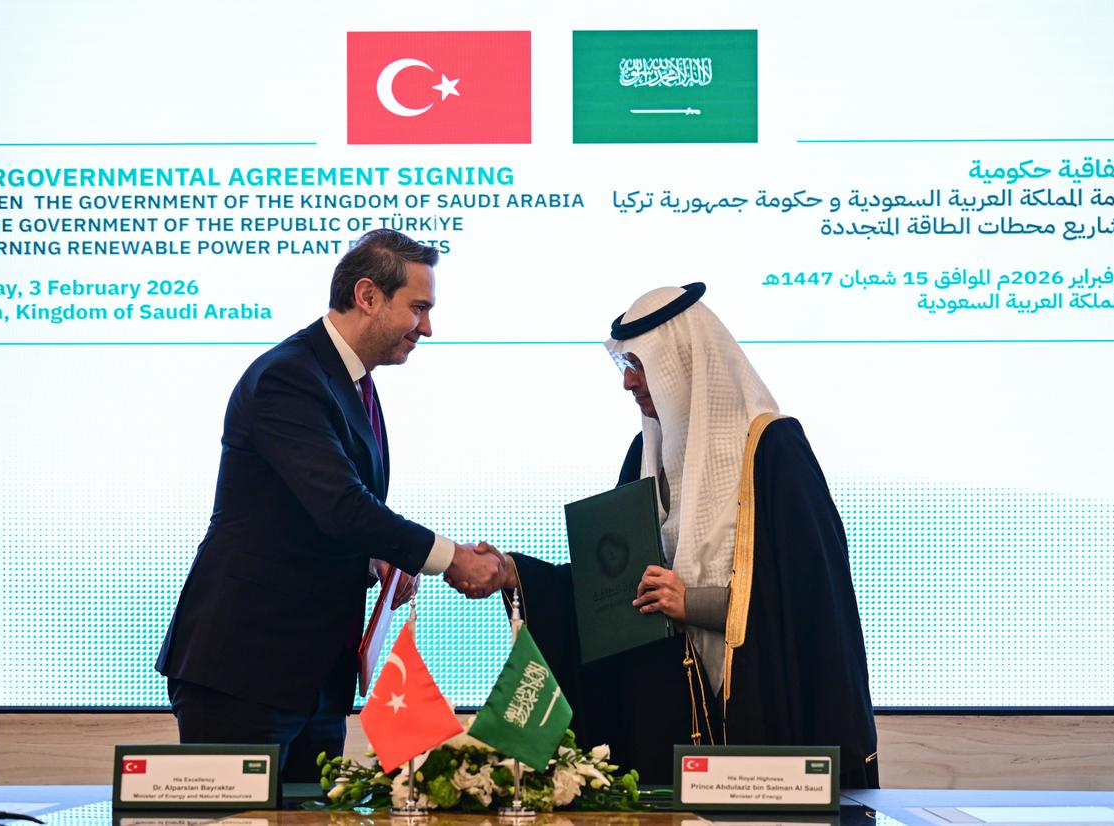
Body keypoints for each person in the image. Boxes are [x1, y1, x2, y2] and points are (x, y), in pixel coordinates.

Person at [477, 283, 878, 788]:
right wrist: (519, 574)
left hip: (762, 723)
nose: (628, 384)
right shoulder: (642, 459)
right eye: (624, 367)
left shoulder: (775, 453)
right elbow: (617, 592)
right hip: (663, 724)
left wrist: (695, 604)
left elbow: (810, 607)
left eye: (639, 366)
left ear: (681, 363)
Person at [155, 229, 506, 783]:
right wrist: (449, 558)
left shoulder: (351, 380)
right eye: (418, 308)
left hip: (312, 677)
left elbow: (305, 519)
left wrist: (373, 560)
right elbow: (341, 506)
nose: (428, 328)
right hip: (245, 671)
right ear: (367, 296)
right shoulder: (289, 377)